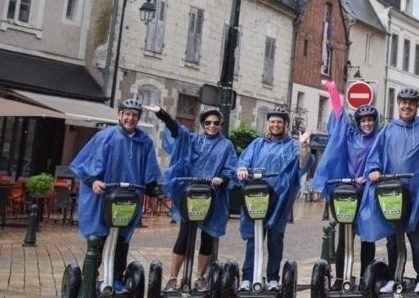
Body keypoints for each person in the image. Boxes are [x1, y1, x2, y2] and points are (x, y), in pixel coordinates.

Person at [359, 87, 419, 293]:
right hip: (390, 193)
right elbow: (374, 157)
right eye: (403, 102)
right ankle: (393, 276)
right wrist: (375, 170)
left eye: (411, 103)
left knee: (415, 235)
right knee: (392, 237)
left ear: (416, 106)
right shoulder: (387, 130)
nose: (407, 106)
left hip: (415, 193)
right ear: (398, 104)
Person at [70, 98, 162, 295]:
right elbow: (86, 165)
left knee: (122, 240)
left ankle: (118, 280)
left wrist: (153, 193)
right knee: (98, 239)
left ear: (138, 118)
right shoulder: (105, 137)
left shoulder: (144, 142)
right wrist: (93, 181)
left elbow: (150, 169)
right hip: (104, 197)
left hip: (129, 197)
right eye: (127, 114)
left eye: (134, 115)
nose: (130, 118)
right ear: (120, 115)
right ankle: (90, 279)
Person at [147, 104, 237, 292]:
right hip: (190, 194)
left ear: (221, 124)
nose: (212, 126)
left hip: (213, 196)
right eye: (208, 122)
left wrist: (223, 178)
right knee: (184, 235)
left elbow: (231, 168)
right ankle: (173, 278)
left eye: (216, 123)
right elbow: (177, 131)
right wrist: (162, 114)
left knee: (207, 238)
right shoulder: (193, 139)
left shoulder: (226, 145)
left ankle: (200, 278)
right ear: (203, 124)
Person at [310, 79, 382, 282]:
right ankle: (341, 279)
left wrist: (370, 175)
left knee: (367, 237)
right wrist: (333, 90)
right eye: (363, 121)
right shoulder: (350, 136)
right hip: (348, 191)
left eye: (370, 120)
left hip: (368, 192)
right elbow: (340, 116)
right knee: (345, 235)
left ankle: (365, 279)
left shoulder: (380, 138)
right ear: (358, 123)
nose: (367, 123)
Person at [234, 106, 311, 291]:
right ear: (268, 124)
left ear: (285, 125)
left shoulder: (292, 145)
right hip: (256, 196)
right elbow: (243, 161)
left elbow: (303, 164)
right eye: (273, 122)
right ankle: (248, 277)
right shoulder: (257, 144)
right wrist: (242, 169)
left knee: (275, 238)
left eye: (279, 122)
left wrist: (304, 146)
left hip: (280, 199)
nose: (276, 125)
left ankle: (272, 278)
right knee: (254, 238)